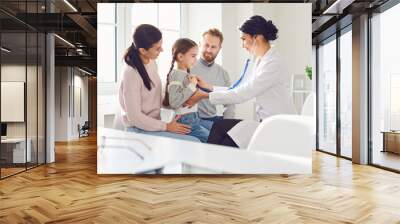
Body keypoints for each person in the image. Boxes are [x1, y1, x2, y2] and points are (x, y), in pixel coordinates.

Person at [186, 15, 296, 148]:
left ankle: (216, 165)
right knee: (221, 130)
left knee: (222, 131)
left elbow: (243, 93)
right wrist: (210, 87)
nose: (243, 45)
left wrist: (204, 95)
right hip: (266, 123)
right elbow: (240, 88)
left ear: (257, 38)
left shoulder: (273, 63)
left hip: (277, 125)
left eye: (244, 39)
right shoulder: (261, 60)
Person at [118, 24, 200, 142]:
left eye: (161, 45)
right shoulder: (130, 73)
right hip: (138, 131)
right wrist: (166, 126)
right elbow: (135, 118)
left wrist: (179, 100)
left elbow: (155, 96)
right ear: (142, 50)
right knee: (194, 142)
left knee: (197, 138)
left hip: (153, 126)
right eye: (157, 48)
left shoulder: (151, 63)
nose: (161, 50)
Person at [163, 38, 212, 143]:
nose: (196, 60)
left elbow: (185, 98)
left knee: (214, 136)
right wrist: (192, 86)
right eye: (193, 56)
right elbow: (174, 102)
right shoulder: (176, 74)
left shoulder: (185, 75)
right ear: (180, 56)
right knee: (213, 141)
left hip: (193, 119)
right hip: (186, 121)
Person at [191, 28, 235, 125]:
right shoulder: (188, 68)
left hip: (213, 119)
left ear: (219, 48)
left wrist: (226, 124)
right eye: (206, 45)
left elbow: (230, 102)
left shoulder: (223, 73)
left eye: (213, 47)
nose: (209, 50)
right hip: (192, 120)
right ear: (200, 44)